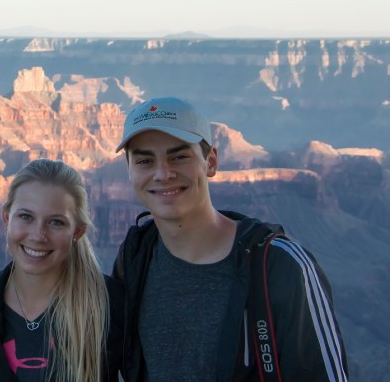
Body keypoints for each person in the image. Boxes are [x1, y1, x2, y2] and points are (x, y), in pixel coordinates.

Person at [111, 96, 349, 381]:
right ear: (130, 170)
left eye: (179, 156)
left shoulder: (281, 265)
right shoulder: (136, 256)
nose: (163, 173)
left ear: (210, 162)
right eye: (145, 160)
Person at [0, 158, 116, 381]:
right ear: (6, 217)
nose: (38, 236)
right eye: (26, 217)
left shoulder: (110, 305)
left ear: (77, 232)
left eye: (56, 222)